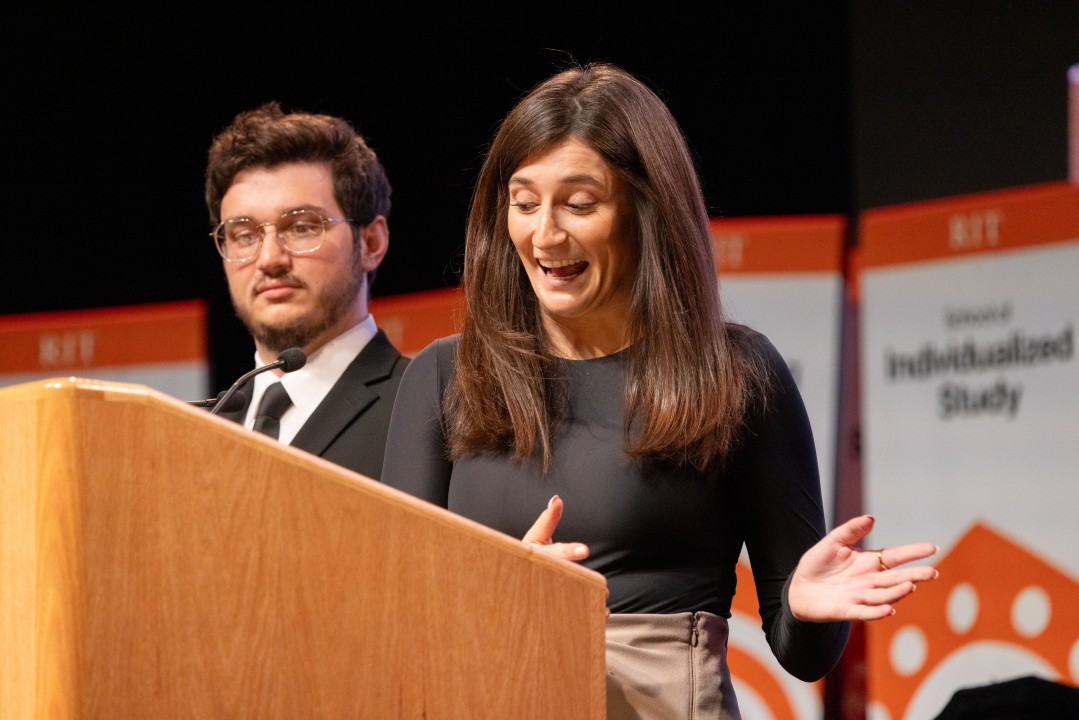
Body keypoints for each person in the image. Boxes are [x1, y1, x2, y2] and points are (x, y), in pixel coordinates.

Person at [380, 63, 940, 719]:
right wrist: (497, 604)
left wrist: (801, 607)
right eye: (524, 203)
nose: (544, 234)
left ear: (645, 211)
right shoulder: (444, 377)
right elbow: (394, 624)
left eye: (579, 204)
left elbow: (800, 653)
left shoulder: (735, 372)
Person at [204, 102, 408, 480]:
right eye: (244, 235)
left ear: (372, 243)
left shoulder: (429, 413)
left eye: (301, 227)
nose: (269, 259)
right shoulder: (192, 433)